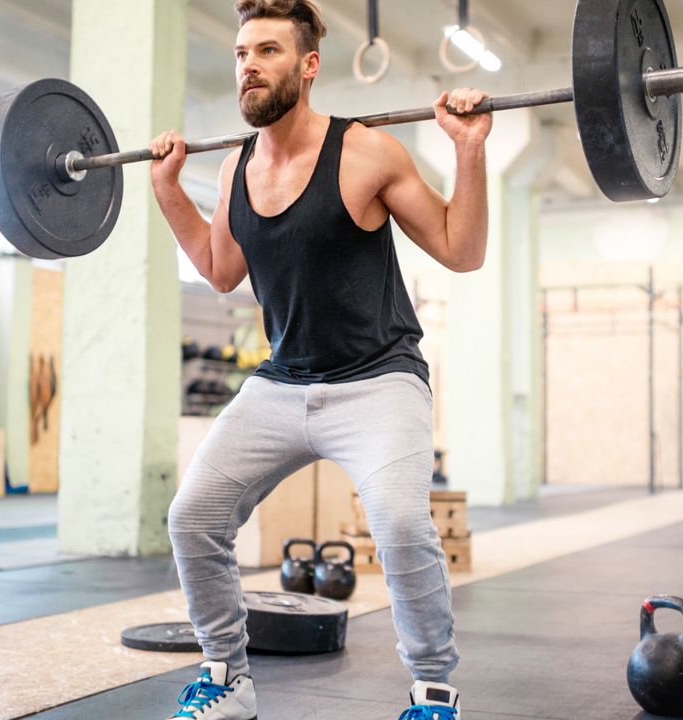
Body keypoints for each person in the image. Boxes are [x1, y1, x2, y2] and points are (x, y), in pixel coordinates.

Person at [149, 1, 490, 718]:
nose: (248, 65)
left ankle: (432, 691)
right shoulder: (236, 169)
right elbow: (218, 268)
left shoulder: (366, 151)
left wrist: (468, 148)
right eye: (242, 53)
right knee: (193, 516)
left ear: (308, 66)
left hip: (379, 379)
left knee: (399, 523)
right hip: (283, 382)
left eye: (267, 51)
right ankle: (227, 678)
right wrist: (165, 189)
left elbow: (463, 250)